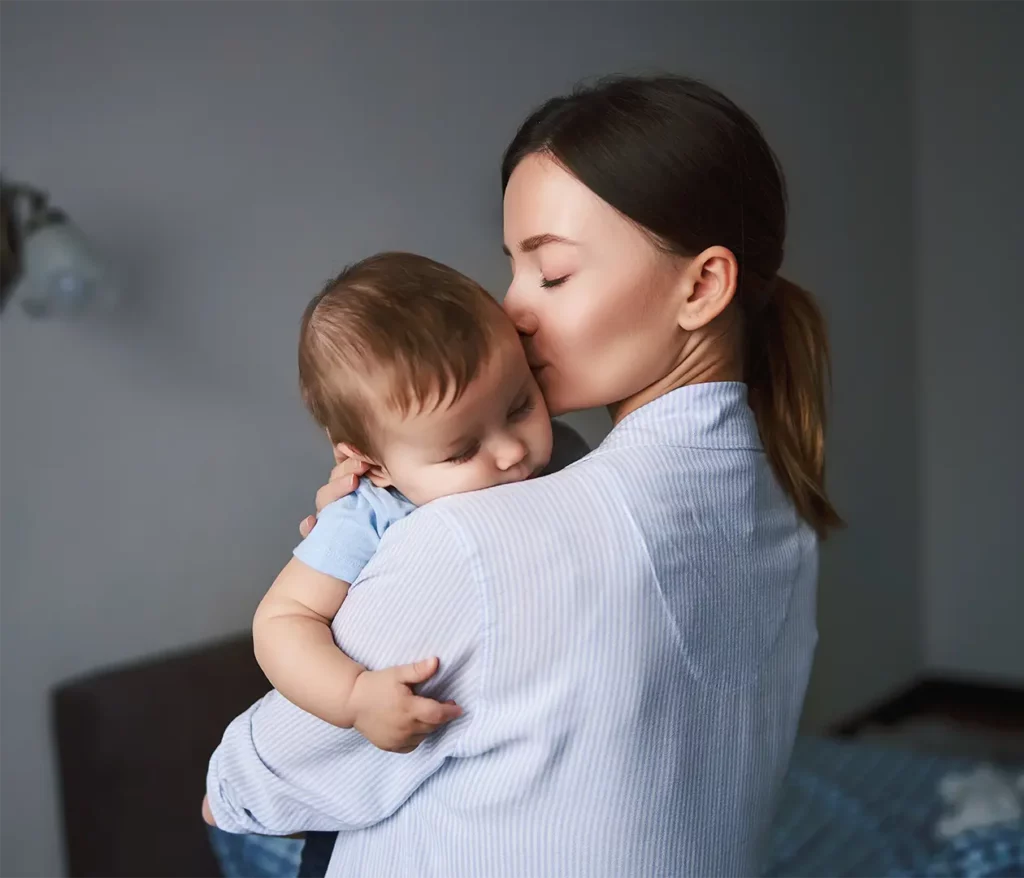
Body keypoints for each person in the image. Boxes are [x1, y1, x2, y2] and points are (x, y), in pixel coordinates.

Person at [205, 74, 841, 877]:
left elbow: (240, 793)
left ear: (704, 285)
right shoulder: (787, 514)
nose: (514, 310)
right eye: (512, 269)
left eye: (554, 272)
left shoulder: (476, 541)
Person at [250, 251, 580, 750]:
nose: (513, 450)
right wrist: (355, 696)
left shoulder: (568, 453)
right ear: (375, 464)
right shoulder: (368, 514)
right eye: (463, 451)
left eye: (520, 405)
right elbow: (281, 620)